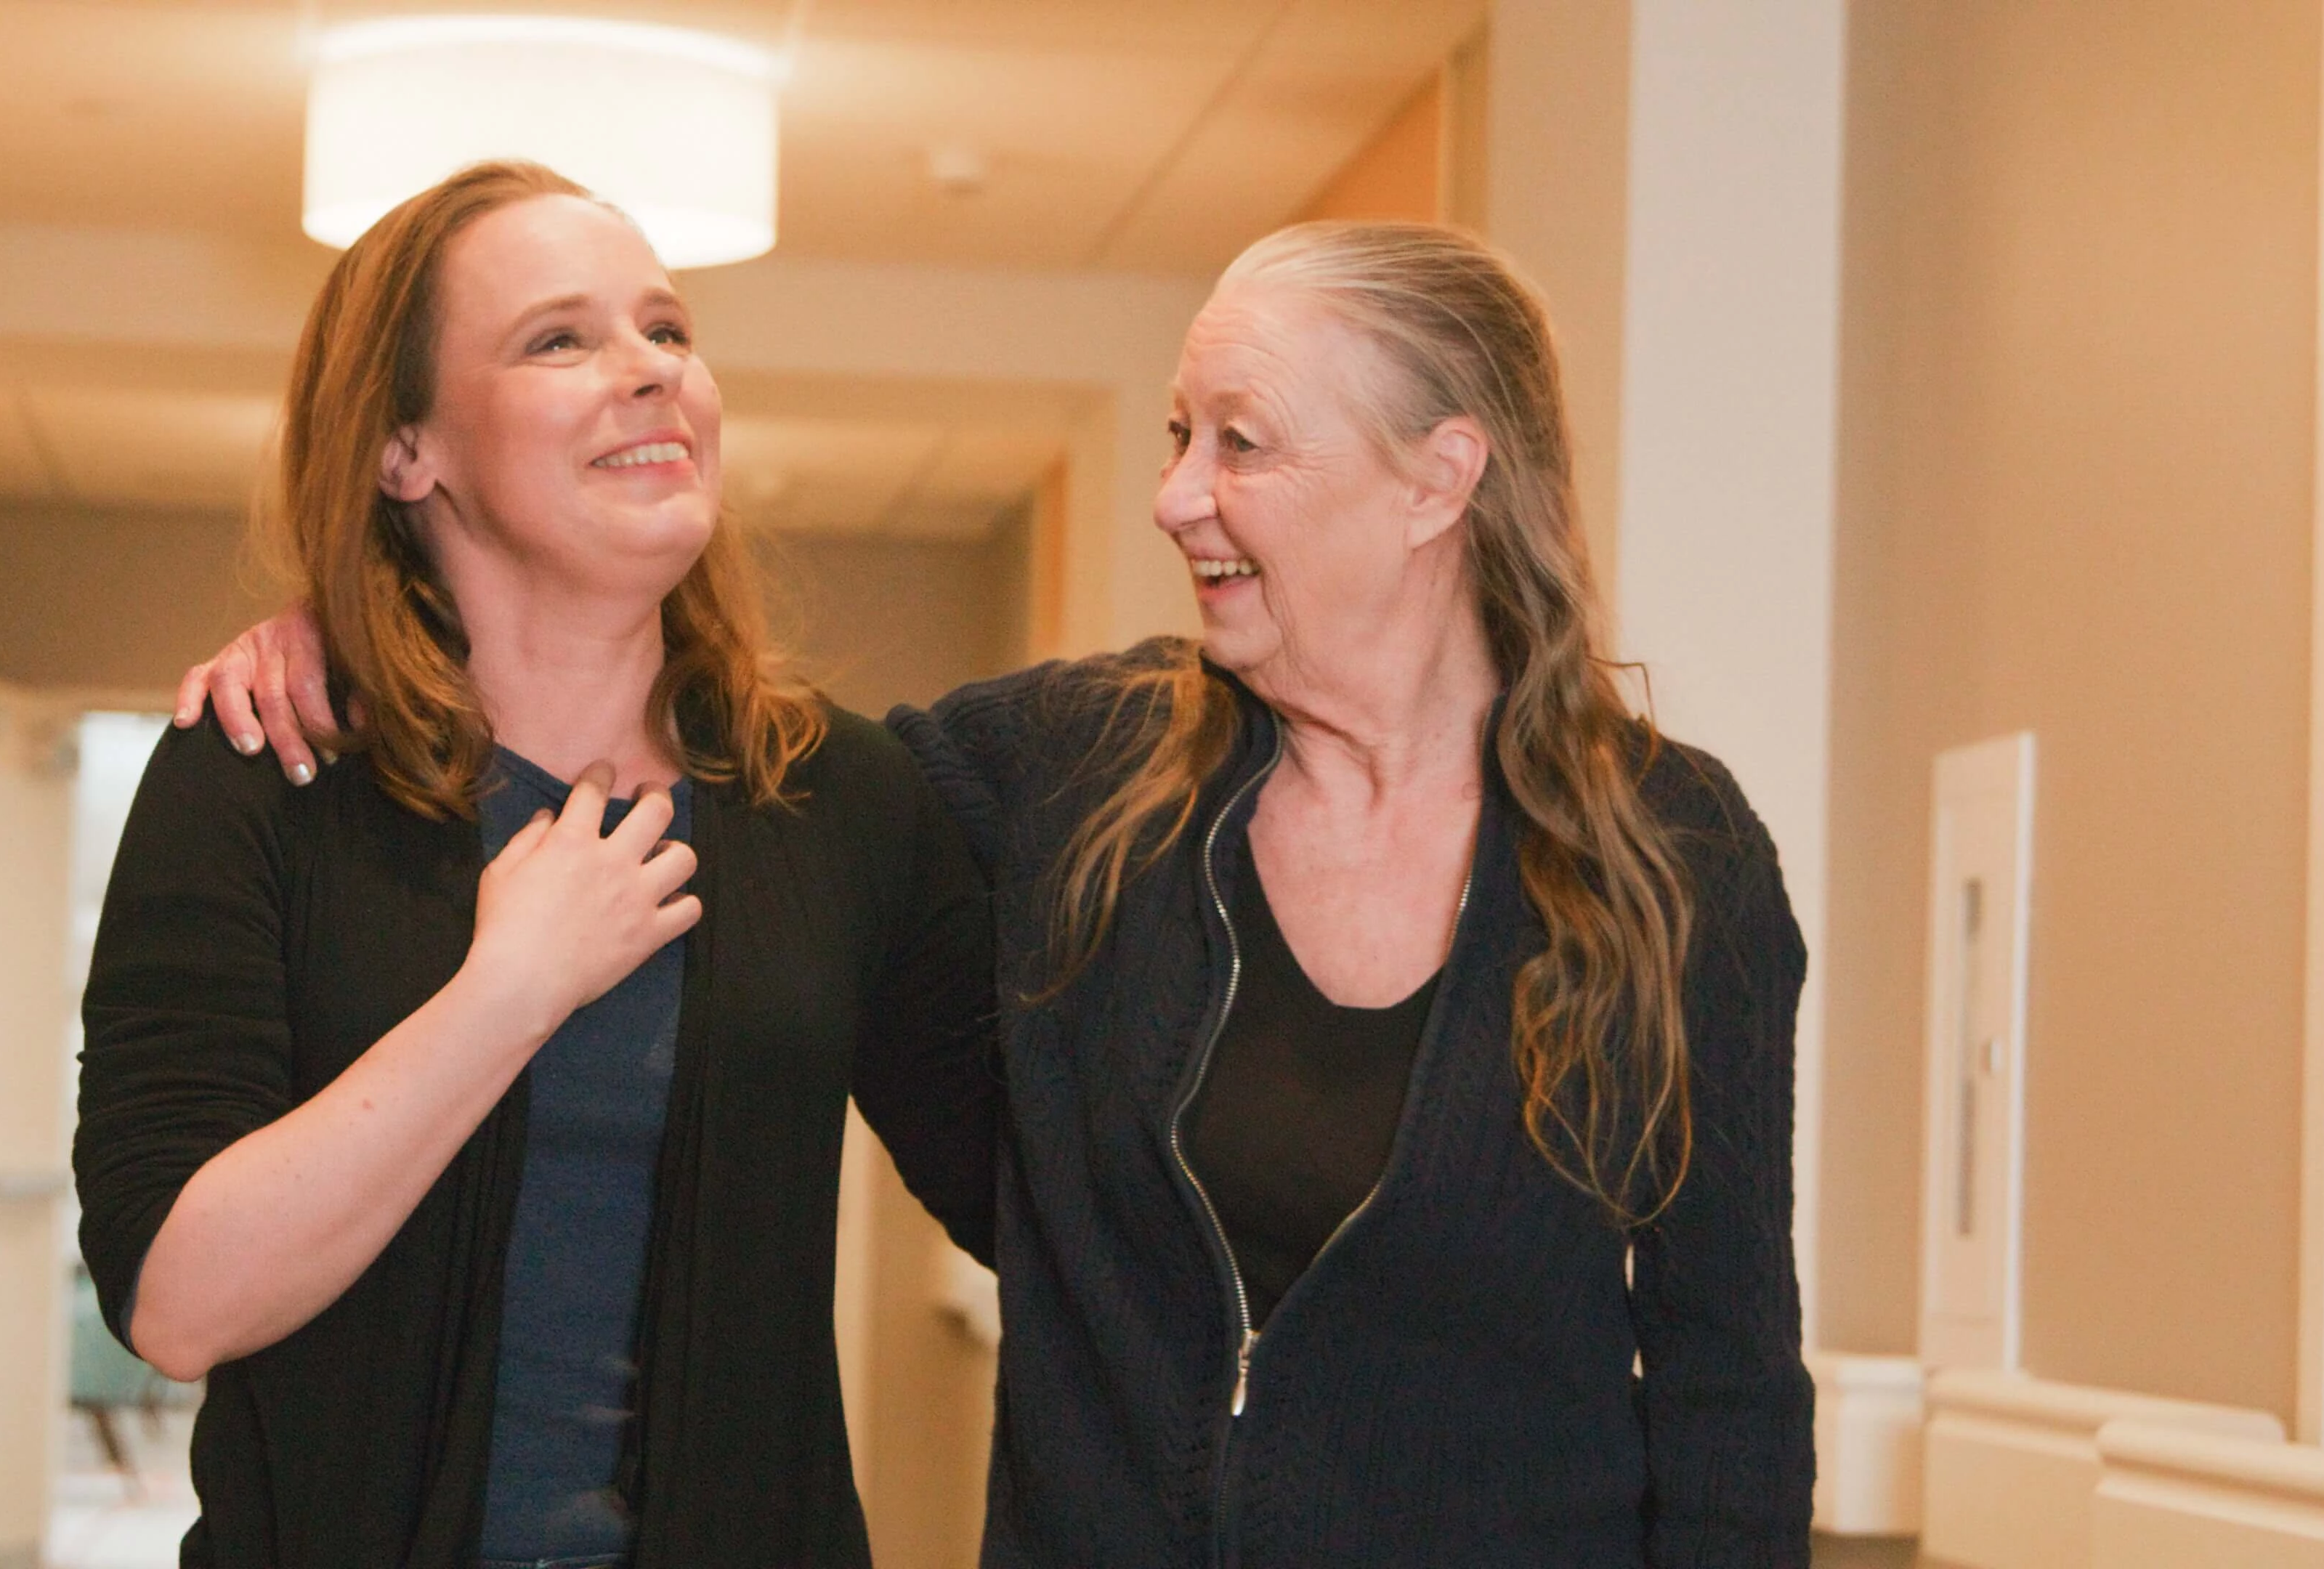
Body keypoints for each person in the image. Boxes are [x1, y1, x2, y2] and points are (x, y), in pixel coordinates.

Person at [186, 220, 1815, 1565]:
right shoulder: (1073, 767)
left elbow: (1728, 1389)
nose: (1175, 493)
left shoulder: (1671, 853)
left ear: (1435, 479)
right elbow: (742, 779)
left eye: (1237, 443)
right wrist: (374, 627)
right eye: (1180, 435)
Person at [78, 161, 995, 1569]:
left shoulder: (837, 799)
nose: (649, 375)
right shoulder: (265, 775)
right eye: (559, 340)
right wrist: (508, 990)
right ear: (406, 453)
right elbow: (177, 1301)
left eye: (668, 331)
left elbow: (1048, 1195)